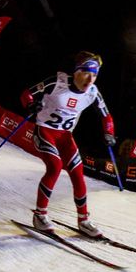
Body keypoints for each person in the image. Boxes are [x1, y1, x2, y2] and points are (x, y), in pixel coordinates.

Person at [20, 51, 116, 237]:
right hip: (45, 131)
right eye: (87, 72)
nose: (90, 78)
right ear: (76, 71)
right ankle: (40, 215)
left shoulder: (93, 93)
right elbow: (26, 94)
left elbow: (106, 116)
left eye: (95, 74)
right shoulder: (57, 82)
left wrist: (109, 133)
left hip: (65, 136)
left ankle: (84, 220)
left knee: (78, 173)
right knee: (55, 166)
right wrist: (31, 105)